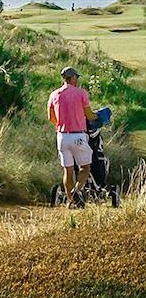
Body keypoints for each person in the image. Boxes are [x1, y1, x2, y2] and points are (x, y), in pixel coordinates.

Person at [47, 66, 97, 208]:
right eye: (77, 77)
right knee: (85, 168)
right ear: (73, 78)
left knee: (67, 170)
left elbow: (51, 118)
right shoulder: (81, 93)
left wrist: (63, 123)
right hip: (78, 135)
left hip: (62, 136)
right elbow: (89, 115)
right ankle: (76, 191)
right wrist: (97, 116)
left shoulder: (54, 95)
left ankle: (71, 202)